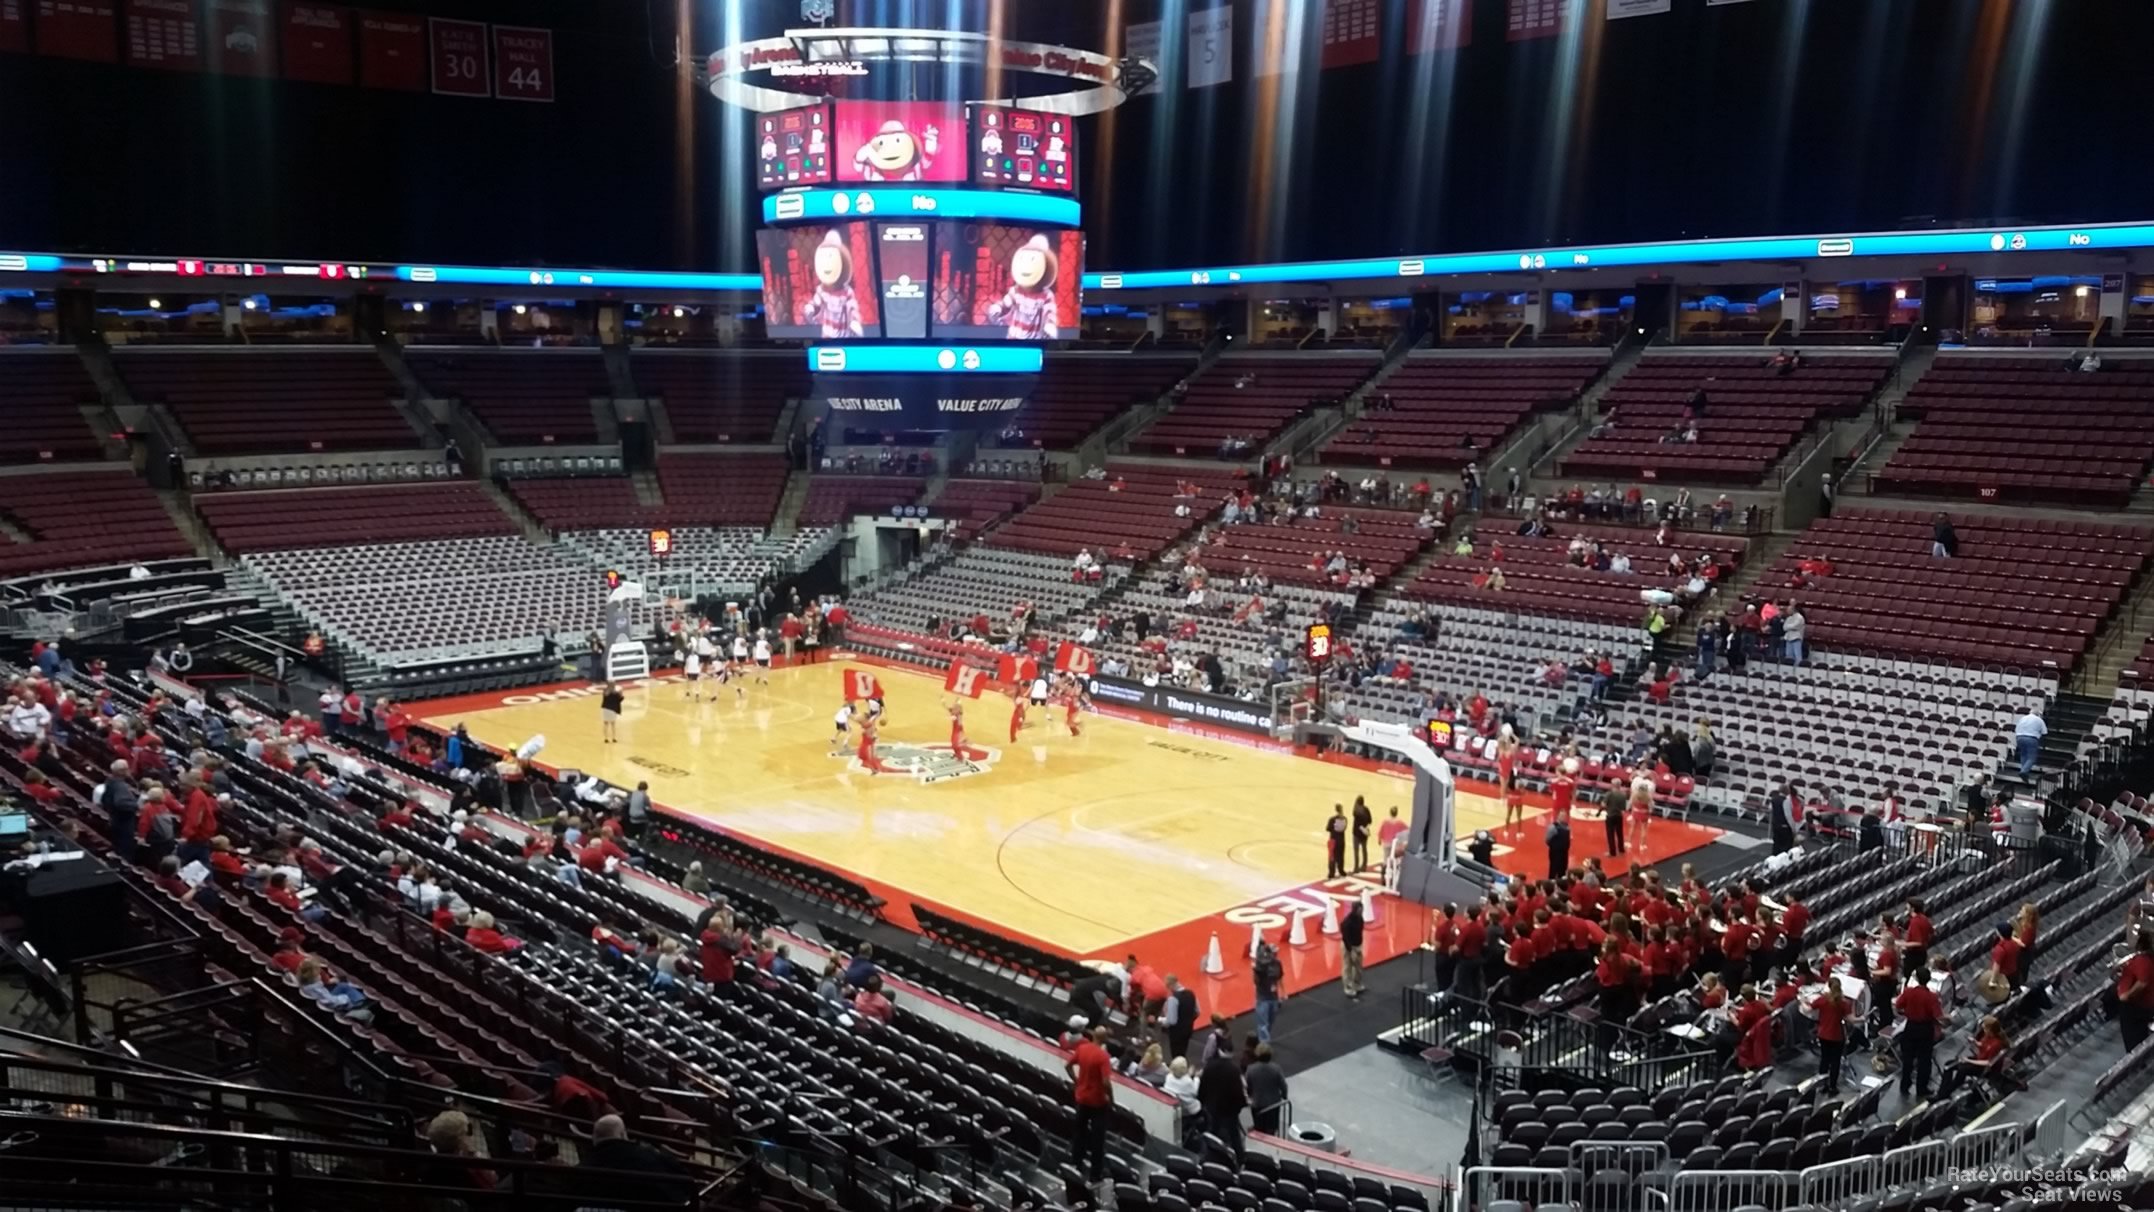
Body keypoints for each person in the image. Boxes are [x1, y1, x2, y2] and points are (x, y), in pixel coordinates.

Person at [580, 1114, 688, 1202]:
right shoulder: (648, 1154)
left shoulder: (581, 1169)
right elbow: (682, 1176)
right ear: (623, 1135)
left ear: (594, 1138)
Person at [1065, 1024, 1114, 1185]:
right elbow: (1106, 1082)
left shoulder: (1082, 1048)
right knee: (1097, 1139)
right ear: (1104, 1038)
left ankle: (1076, 1163)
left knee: (1079, 1133)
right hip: (1098, 1101)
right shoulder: (1103, 1056)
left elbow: (1068, 1065)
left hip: (1082, 1098)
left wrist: (1076, 1081)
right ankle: (1095, 1174)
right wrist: (1111, 1097)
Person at [1894, 974, 1945, 1102]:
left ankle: (1904, 1085)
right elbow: (1938, 1016)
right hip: (1925, 1029)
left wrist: (1907, 1012)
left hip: (1910, 1027)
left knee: (1908, 1058)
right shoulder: (1932, 997)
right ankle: (1921, 1088)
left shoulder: (1908, 992)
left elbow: (1898, 1006)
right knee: (1924, 1060)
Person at [1196, 1040, 1248, 1153]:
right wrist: (1240, 1105)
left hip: (1212, 1106)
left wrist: (1202, 1101)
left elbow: (1203, 1086)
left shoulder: (1209, 1066)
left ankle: (1207, 1156)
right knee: (1234, 1135)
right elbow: (1237, 1092)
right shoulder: (1234, 1070)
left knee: (1211, 1132)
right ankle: (1240, 1158)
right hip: (1229, 1110)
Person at [1811, 979, 1851, 1091]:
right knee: (1835, 1062)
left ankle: (1822, 1084)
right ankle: (1833, 1086)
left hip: (1823, 1034)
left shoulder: (1823, 999)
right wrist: (1862, 1018)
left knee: (1824, 1060)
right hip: (1837, 1035)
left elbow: (1811, 1006)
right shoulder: (1843, 1003)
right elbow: (1850, 1018)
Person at [2116, 932, 2154, 1050]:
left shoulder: (2142, 961)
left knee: (2133, 1040)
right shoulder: (2144, 959)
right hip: (2140, 1005)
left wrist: (2128, 995)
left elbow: (2142, 983)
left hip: (2136, 1006)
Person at [1245, 1044, 1289, 1134]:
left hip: (1258, 1103)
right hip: (1273, 1104)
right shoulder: (1276, 1069)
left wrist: (1250, 1096)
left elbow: (1248, 1086)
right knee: (1271, 1129)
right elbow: (1283, 1086)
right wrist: (1284, 1095)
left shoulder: (1251, 1069)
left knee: (1259, 1128)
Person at [1252, 936, 1284, 1043]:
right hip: (1263, 998)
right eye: (1274, 953)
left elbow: (1280, 978)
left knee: (1270, 1021)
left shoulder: (1278, 964)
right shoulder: (1262, 966)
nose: (1276, 954)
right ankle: (1264, 1044)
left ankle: (1264, 1039)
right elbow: (1256, 977)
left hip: (1273, 997)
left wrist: (1282, 993)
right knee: (1263, 1024)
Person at [1340, 899, 1366, 999]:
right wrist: (1350, 950)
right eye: (1359, 910)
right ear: (1355, 910)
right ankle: (1348, 987)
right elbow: (1346, 938)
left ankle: (1357, 983)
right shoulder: (1347, 923)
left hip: (1357, 945)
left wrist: (1359, 946)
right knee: (1348, 966)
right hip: (1348, 946)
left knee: (1358, 966)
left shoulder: (1360, 919)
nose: (1361, 912)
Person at [2013, 706, 2046, 776]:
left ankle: (2023, 768)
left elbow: (2016, 729)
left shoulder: (2023, 718)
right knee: (2031, 757)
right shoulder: (2039, 720)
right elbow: (2044, 732)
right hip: (2031, 738)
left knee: (2023, 754)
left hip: (2019, 737)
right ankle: (2024, 771)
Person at [1324, 804, 1348, 879]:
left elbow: (1327, 828)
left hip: (1333, 840)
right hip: (1341, 840)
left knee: (1332, 857)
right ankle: (1341, 870)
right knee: (1340, 856)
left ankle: (1332, 873)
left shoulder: (1332, 819)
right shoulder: (1345, 819)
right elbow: (1344, 828)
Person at [1350, 796, 1373, 871]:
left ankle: (1356, 868)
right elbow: (1370, 821)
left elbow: (1357, 823)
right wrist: (1365, 828)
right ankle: (1364, 866)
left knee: (1356, 851)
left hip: (1356, 834)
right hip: (1364, 834)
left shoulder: (1355, 811)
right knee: (1364, 850)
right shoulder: (1366, 809)